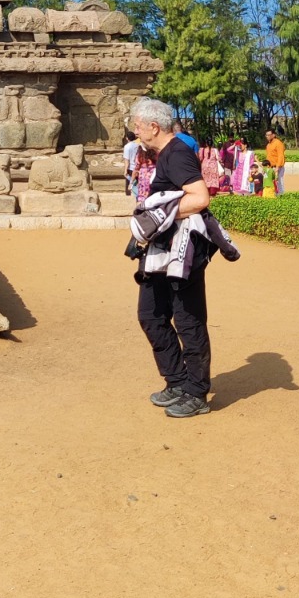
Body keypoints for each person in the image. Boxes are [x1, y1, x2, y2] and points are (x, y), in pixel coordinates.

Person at [128, 96, 216, 419]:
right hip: (160, 249)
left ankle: (196, 392)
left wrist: (161, 214)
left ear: (154, 126)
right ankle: (177, 379)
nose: (135, 131)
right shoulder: (162, 154)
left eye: (138, 126)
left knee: (188, 319)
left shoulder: (177, 153)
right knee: (151, 313)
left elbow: (201, 197)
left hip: (183, 250)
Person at [264, 129, 286, 195]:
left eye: (268, 135)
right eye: (266, 135)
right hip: (270, 167)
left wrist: (277, 167)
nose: (267, 136)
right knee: (270, 182)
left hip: (277, 167)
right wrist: (265, 168)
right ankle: (272, 195)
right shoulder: (268, 145)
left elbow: (280, 155)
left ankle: (281, 195)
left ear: (273, 135)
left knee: (279, 182)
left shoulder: (278, 143)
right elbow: (268, 157)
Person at [122, 131, 140, 196]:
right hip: (137, 167)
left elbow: (127, 160)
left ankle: (128, 194)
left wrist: (125, 170)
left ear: (127, 138)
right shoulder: (138, 145)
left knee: (129, 182)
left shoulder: (127, 147)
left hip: (131, 167)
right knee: (137, 182)